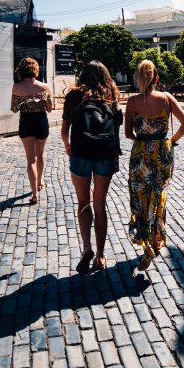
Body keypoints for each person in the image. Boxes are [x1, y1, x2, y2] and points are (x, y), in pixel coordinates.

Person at [125, 60, 184, 271]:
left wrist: (143, 138)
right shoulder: (166, 99)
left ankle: (146, 246)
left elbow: (128, 133)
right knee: (158, 196)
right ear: (157, 78)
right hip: (162, 154)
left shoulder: (133, 102)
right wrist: (169, 141)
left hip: (140, 155)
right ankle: (155, 240)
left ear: (138, 78)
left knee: (140, 198)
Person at [61, 60, 121, 274]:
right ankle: (101, 255)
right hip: (105, 153)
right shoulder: (111, 94)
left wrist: (68, 146)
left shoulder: (75, 95)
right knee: (100, 204)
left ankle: (86, 247)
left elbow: (64, 130)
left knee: (83, 203)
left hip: (81, 153)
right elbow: (116, 126)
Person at [11, 58, 53, 205]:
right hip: (41, 122)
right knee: (40, 154)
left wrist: (25, 101)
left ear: (21, 71)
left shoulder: (16, 88)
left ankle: (34, 194)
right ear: (35, 69)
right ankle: (40, 180)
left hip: (26, 123)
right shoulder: (45, 87)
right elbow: (49, 109)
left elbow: (14, 109)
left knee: (31, 160)